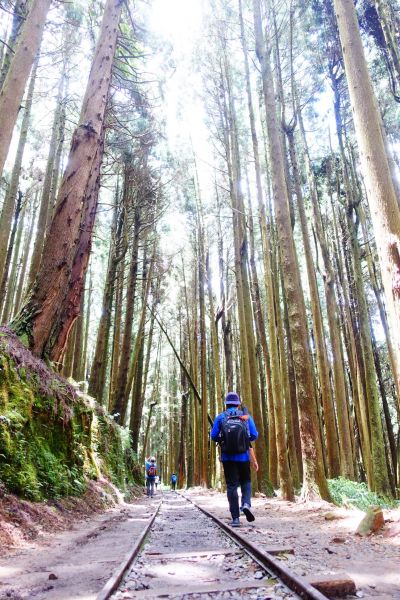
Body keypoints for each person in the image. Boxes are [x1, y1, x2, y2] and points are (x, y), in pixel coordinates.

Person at [211, 392, 258, 527]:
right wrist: (243, 440)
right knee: (246, 481)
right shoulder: (245, 417)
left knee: (232, 486)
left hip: (228, 457)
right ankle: (246, 504)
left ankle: (235, 519)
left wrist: (223, 440)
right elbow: (254, 435)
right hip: (244, 457)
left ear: (226, 404)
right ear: (238, 404)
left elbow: (214, 436)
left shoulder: (220, 417)